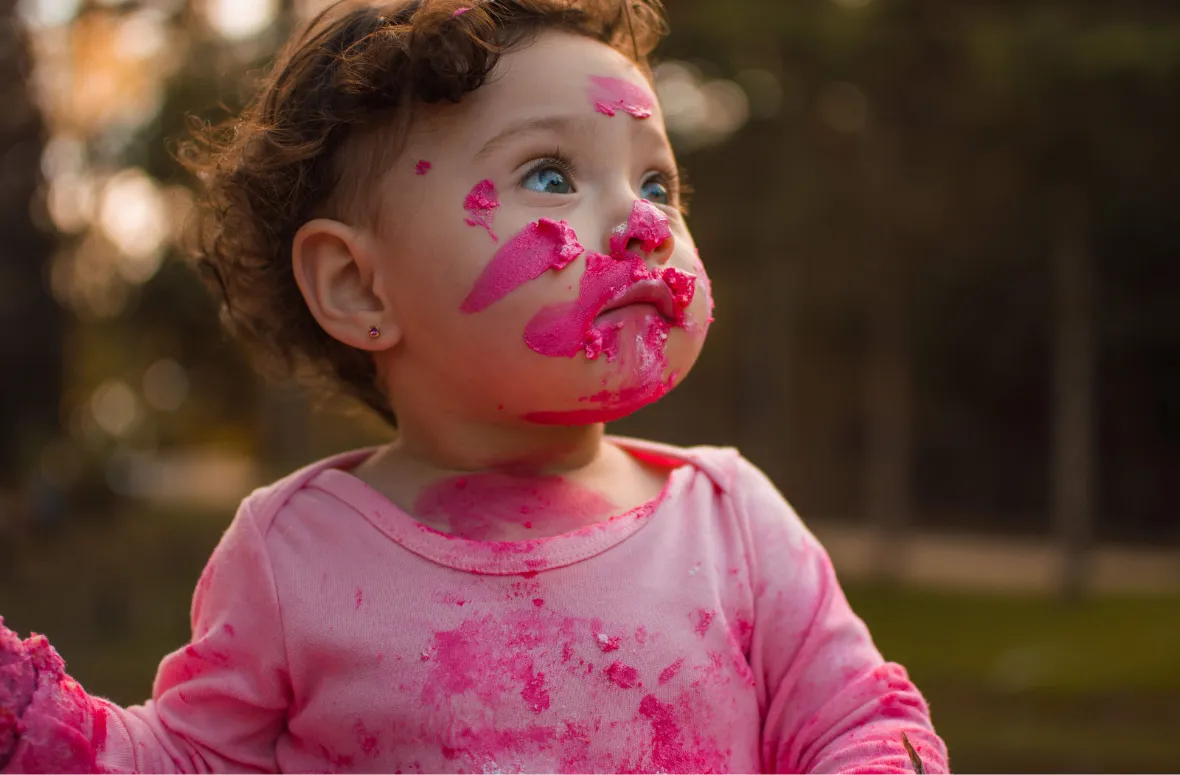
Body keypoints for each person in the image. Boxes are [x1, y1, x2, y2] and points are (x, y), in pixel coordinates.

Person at [0, 0, 949, 771]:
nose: (642, 225)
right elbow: (180, 759)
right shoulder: (294, 555)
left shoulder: (733, 521)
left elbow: (859, 722)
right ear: (359, 285)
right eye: (548, 174)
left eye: (658, 184)